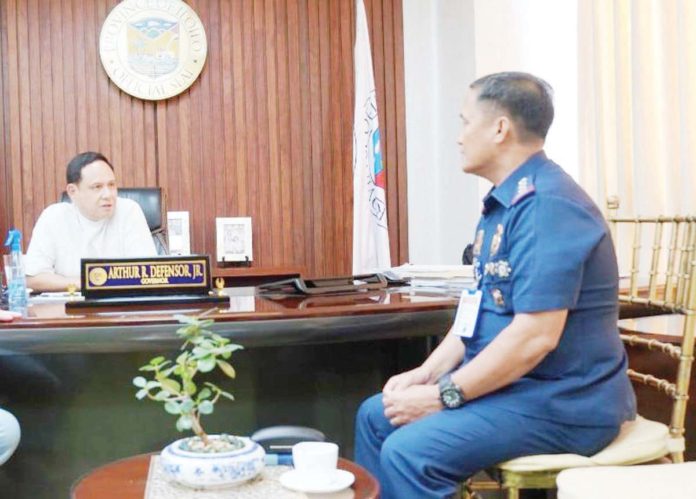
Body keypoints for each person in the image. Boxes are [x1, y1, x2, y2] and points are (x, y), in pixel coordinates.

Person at [354, 72, 636, 498]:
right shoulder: (503, 205)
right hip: (517, 390)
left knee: (410, 452)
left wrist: (444, 395)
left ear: (500, 128)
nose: (459, 137)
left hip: (563, 404)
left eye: (465, 122)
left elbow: (534, 338)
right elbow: (477, 309)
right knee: (377, 415)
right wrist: (426, 373)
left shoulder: (547, 207)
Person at [25, 152, 156, 292]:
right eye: (97, 187)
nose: (108, 195)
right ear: (72, 192)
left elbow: (148, 272)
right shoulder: (53, 217)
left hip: (121, 307)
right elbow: (32, 278)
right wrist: (88, 282)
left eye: (111, 185)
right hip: (68, 309)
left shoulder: (129, 211)